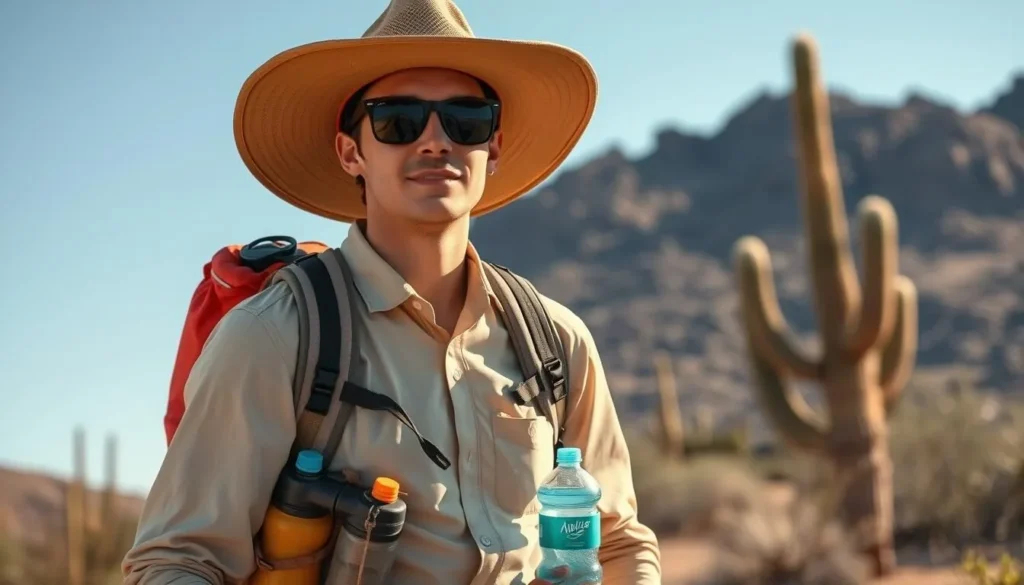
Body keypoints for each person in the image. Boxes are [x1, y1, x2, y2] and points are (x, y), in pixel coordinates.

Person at [121, 0, 662, 583]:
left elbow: (618, 543)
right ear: (352, 152)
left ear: (493, 147)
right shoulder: (277, 335)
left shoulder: (555, 341)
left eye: (466, 120)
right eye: (398, 121)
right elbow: (178, 560)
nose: (435, 141)